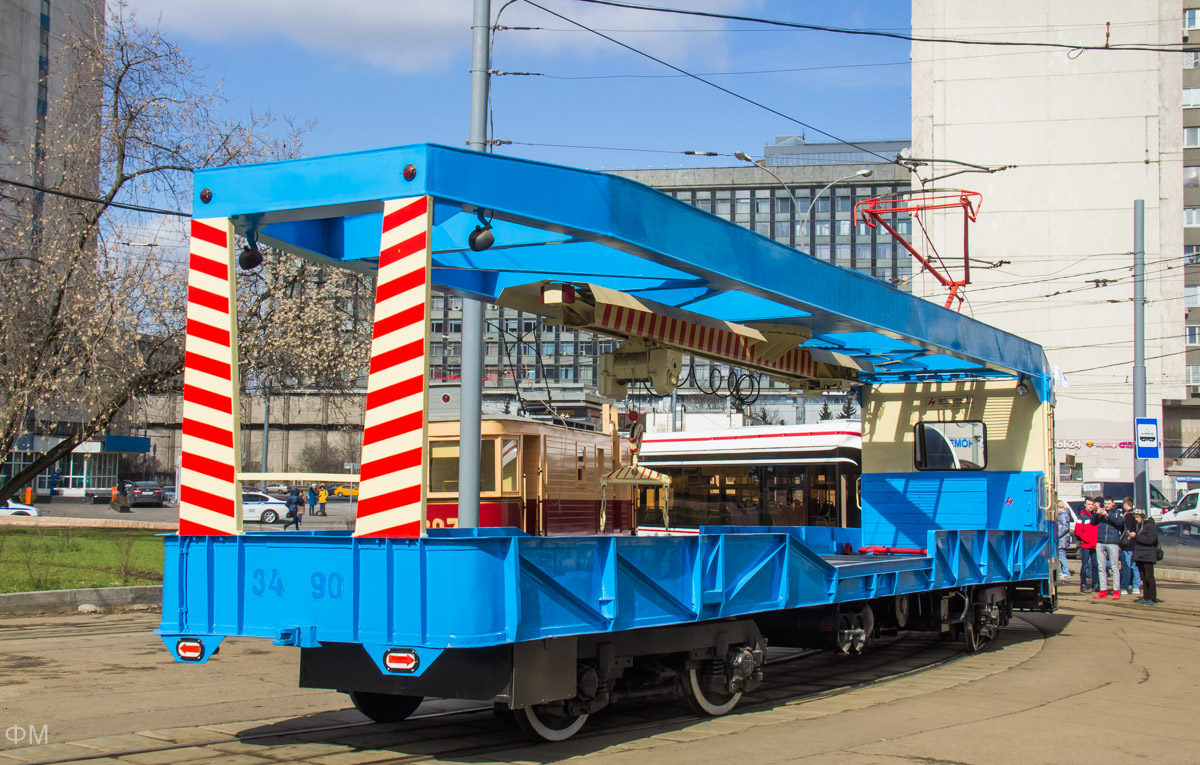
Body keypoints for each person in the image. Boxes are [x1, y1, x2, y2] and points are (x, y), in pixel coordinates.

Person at [1091, 495, 1125, 599]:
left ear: (1113, 504)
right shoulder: (1100, 513)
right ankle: (1103, 590)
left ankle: (1116, 590)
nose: (1107, 506)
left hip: (1112, 542)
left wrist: (1108, 516)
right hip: (1100, 541)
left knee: (1114, 567)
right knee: (1101, 567)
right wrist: (1097, 514)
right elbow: (1092, 523)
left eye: (1108, 504)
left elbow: (1119, 523)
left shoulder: (1117, 513)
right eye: (1105, 504)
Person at [1130, 507, 1160, 605]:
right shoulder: (1140, 526)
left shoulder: (1150, 526)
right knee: (1143, 577)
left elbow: (1150, 540)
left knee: (1149, 577)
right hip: (1140, 555)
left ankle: (1152, 597)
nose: (1136, 519)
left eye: (1137, 517)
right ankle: (1146, 597)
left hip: (1148, 555)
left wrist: (1136, 536)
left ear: (1142, 516)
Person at [1075, 498, 1099, 593]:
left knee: (1095, 565)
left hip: (1094, 544)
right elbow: (1078, 531)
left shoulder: (1095, 516)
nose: (1090, 506)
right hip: (1086, 544)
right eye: (1088, 504)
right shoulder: (1082, 516)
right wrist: (1087, 539)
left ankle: (1095, 584)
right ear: (1085, 505)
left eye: (1092, 504)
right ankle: (1083, 584)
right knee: (1084, 565)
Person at [1119, 497, 1142, 595]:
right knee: (1135, 566)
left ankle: (1126, 586)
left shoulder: (1128, 516)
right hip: (1136, 543)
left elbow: (1126, 530)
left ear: (1126, 505)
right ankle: (1136, 586)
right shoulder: (1137, 515)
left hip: (1128, 545)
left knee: (1127, 566)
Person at [1055, 500, 1073, 579]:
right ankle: (1063, 571)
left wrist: (1056, 535)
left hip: (1062, 539)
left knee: (1062, 555)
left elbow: (1065, 528)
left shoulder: (1063, 515)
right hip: (1062, 539)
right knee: (1061, 555)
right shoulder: (1064, 514)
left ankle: (1066, 571)